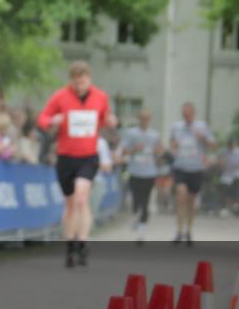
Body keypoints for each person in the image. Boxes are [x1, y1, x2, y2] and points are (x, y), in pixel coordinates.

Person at [37, 61, 116, 267]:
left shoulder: (101, 97)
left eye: (82, 82)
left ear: (89, 78)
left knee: (82, 197)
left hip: (88, 156)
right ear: (71, 81)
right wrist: (52, 121)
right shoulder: (60, 96)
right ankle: (70, 243)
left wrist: (111, 121)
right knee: (70, 203)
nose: (79, 86)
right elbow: (42, 118)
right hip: (66, 156)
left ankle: (83, 241)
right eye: (76, 83)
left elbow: (106, 118)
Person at [169, 102, 215, 245]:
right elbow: (172, 144)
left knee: (191, 202)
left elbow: (213, 145)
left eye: (189, 114)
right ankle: (178, 231)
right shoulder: (176, 127)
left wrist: (202, 138)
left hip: (196, 168)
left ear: (193, 113)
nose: (187, 116)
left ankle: (188, 231)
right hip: (181, 167)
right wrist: (173, 147)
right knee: (180, 195)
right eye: (184, 114)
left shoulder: (202, 126)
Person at [120, 110, 163, 243]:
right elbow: (124, 150)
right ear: (139, 119)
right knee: (136, 199)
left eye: (147, 118)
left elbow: (160, 152)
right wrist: (134, 149)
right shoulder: (131, 133)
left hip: (149, 172)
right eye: (142, 118)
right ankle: (136, 215)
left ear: (149, 119)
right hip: (134, 172)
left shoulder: (155, 134)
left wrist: (158, 152)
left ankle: (142, 227)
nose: (144, 121)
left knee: (145, 200)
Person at [217, 137, 239, 216]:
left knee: (237, 186)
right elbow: (220, 163)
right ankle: (224, 207)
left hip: (236, 173)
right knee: (224, 189)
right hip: (226, 174)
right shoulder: (223, 151)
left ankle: (236, 203)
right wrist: (222, 163)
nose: (231, 146)